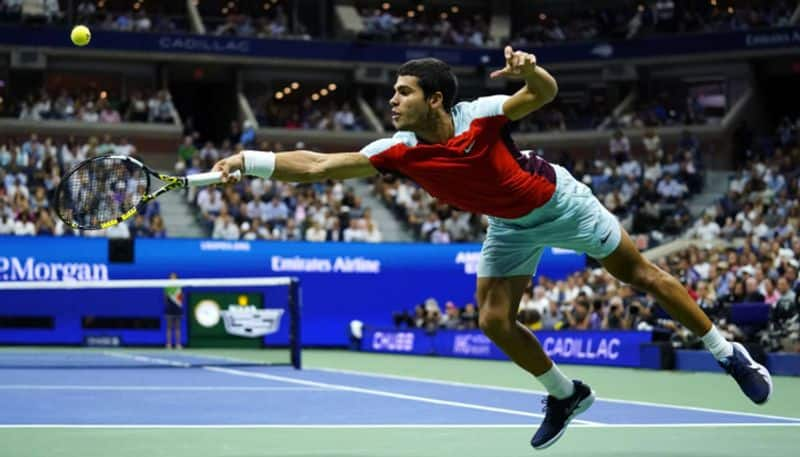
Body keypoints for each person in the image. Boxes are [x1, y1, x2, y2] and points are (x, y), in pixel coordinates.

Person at [212, 47, 772, 449]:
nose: (392, 100)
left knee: (639, 275)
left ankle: (730, 354)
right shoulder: (399, 149)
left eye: (403, 92)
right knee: (494, 321)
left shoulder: (479, 116)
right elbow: (319, 166)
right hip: (507, 224)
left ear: (435, 99)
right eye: (393, 92)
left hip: (560, 203)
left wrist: (534, 70)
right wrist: (250, 162)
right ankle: (566, 393)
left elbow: (541, 95)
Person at [164, 272, 184, 349]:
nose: (173, 278)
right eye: (171, 276)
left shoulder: (179, 286)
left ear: (176, 278)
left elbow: (181, 298)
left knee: (178, 328)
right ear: (169, 278)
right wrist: (168, 305)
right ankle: (168, 344)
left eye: (174, 276)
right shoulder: (166, 286)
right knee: (169, 328)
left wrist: (179, 306)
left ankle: (178, 344)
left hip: (178, 308)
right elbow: (165, 298)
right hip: (169, 309)